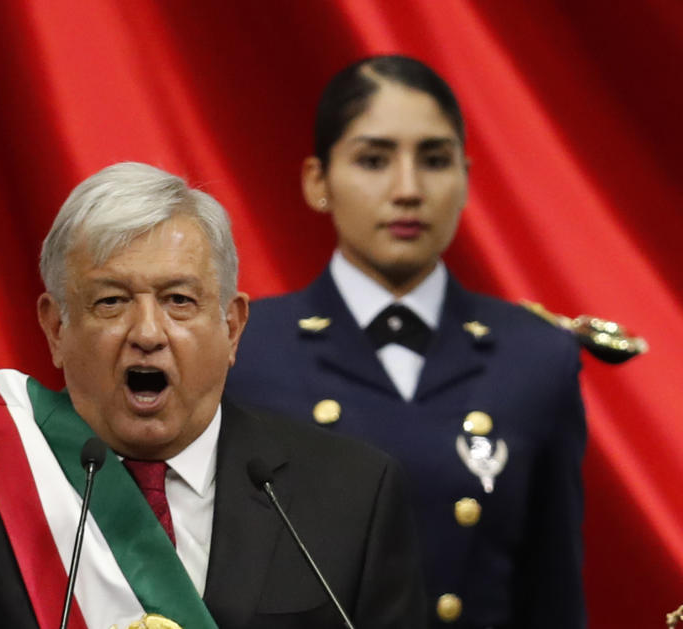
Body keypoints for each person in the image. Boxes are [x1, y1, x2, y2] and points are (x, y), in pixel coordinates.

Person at [0, 112, 427, 628]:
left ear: (231, 327)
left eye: (179, 301)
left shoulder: (348, 494)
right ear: (55, 327)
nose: (146, 333)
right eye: (110, 301)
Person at [225, 55, 587, 628]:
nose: (408, 189)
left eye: (436, 160)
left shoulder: (536, 359)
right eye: (374, 159)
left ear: (466, 179)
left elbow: (554, 600)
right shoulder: (242, 352)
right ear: (318, 182)